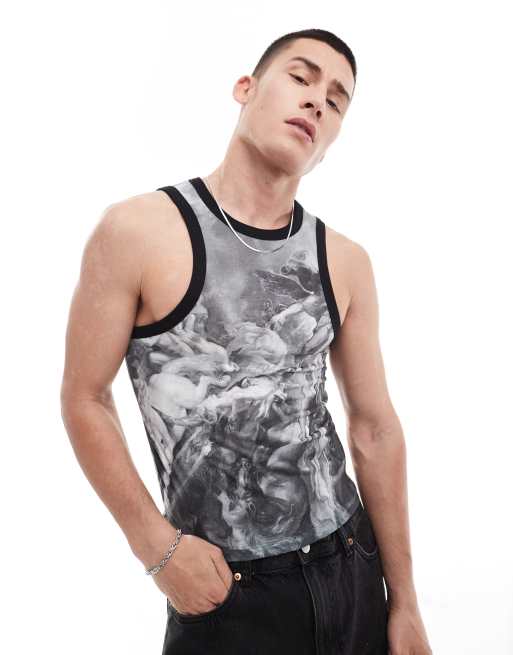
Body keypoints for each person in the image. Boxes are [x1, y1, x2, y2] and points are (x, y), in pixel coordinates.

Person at [60, 28, 432, 655]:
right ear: (246, 88)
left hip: (351, 568)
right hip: (226, 591)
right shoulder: (137, 231)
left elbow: (374, 429)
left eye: (336, 101)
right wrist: (156, 548)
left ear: (332, 139)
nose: (317, 101)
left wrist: (407, 602)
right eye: (301, 77)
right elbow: (84, 397)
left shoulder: (344, 260)